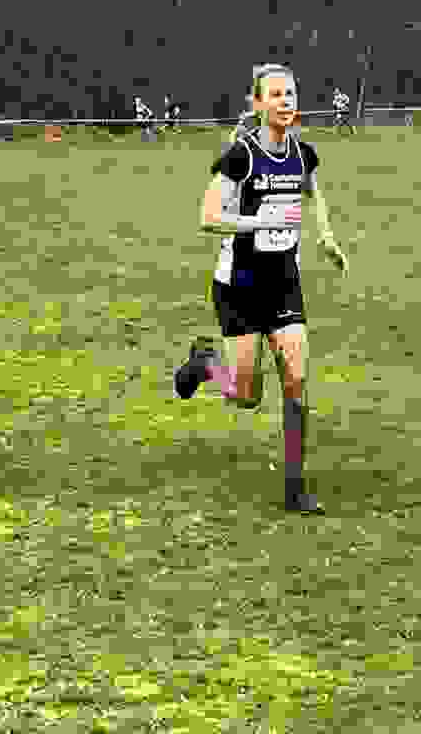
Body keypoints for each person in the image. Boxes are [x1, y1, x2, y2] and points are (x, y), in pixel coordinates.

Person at [174, 63, 349, 515]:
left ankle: (295, 487)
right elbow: (208, 218)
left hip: (284, 284)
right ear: (257, 104)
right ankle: (206, 365)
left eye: (290, 93)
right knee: (245, 394)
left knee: (296, 377)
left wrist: (327, 237)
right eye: (274, 95)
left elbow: (314, 193)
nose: (285, 101)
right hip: (239, 287)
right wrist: (260, 221)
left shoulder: (304, 154)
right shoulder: (242, 156)